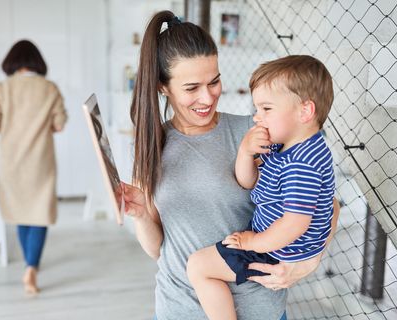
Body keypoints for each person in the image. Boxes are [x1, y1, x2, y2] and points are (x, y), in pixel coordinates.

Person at [121, 11, 340, 320]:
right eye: (191, 87)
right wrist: (142, 214)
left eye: (215, 81)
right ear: (162, 87)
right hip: (177, 309)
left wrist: (305, 265)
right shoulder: (149, 147)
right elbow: (160, 250)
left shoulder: (257, 133)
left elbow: (326, 204)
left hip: (257, 309)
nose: (208, 97)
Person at [186, 55, 335, 320]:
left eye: (266, 109)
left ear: (305, 111)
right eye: (257, 108)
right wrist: (245, 152)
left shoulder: (302, 163)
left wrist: (252, 241)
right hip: (275, 241)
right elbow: (249, 181)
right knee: (201, 264)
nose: (257, 117)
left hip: (278, 251)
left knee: (198, 267)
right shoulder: (285, 145)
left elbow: (295, 223)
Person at [0, 39, 67, 295]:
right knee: (39, 213)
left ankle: (28, 266)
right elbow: (60, 124)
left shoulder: (2, 89)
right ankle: (32, 266)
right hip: (40, 161)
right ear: (36, 62)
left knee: (20, 213)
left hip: (11, 163)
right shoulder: (49, 88)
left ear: (12, 62)